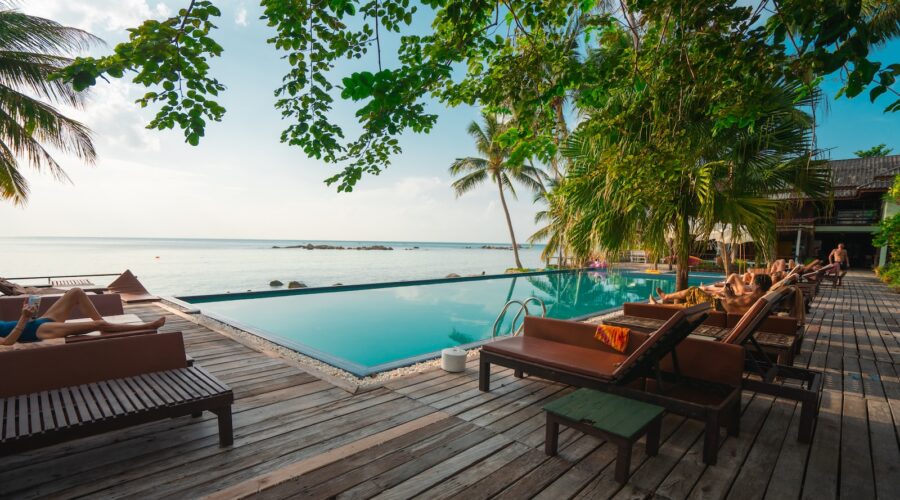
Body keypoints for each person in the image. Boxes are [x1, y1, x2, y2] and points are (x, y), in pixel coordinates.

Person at [0, 288, 165, 346]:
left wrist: (28, 315)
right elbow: (8, 342)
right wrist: (23, 318)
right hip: (40, 331)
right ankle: (147, 326)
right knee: (98, 325)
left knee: (76, 292)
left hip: (39, 321)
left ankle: (103, 323)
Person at [651, 274, 773, 314]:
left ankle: (665, 297)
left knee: (693, 290)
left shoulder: (752, 298)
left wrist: (726, 293)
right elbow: (736, 301)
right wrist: (729, 294)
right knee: (688, 306)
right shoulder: (758, 297)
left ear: (757, 286)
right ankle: (659, 305)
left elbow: (731, 302)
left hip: (717, 307)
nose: (751, 285)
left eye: (753, 283)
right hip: (719, 305)